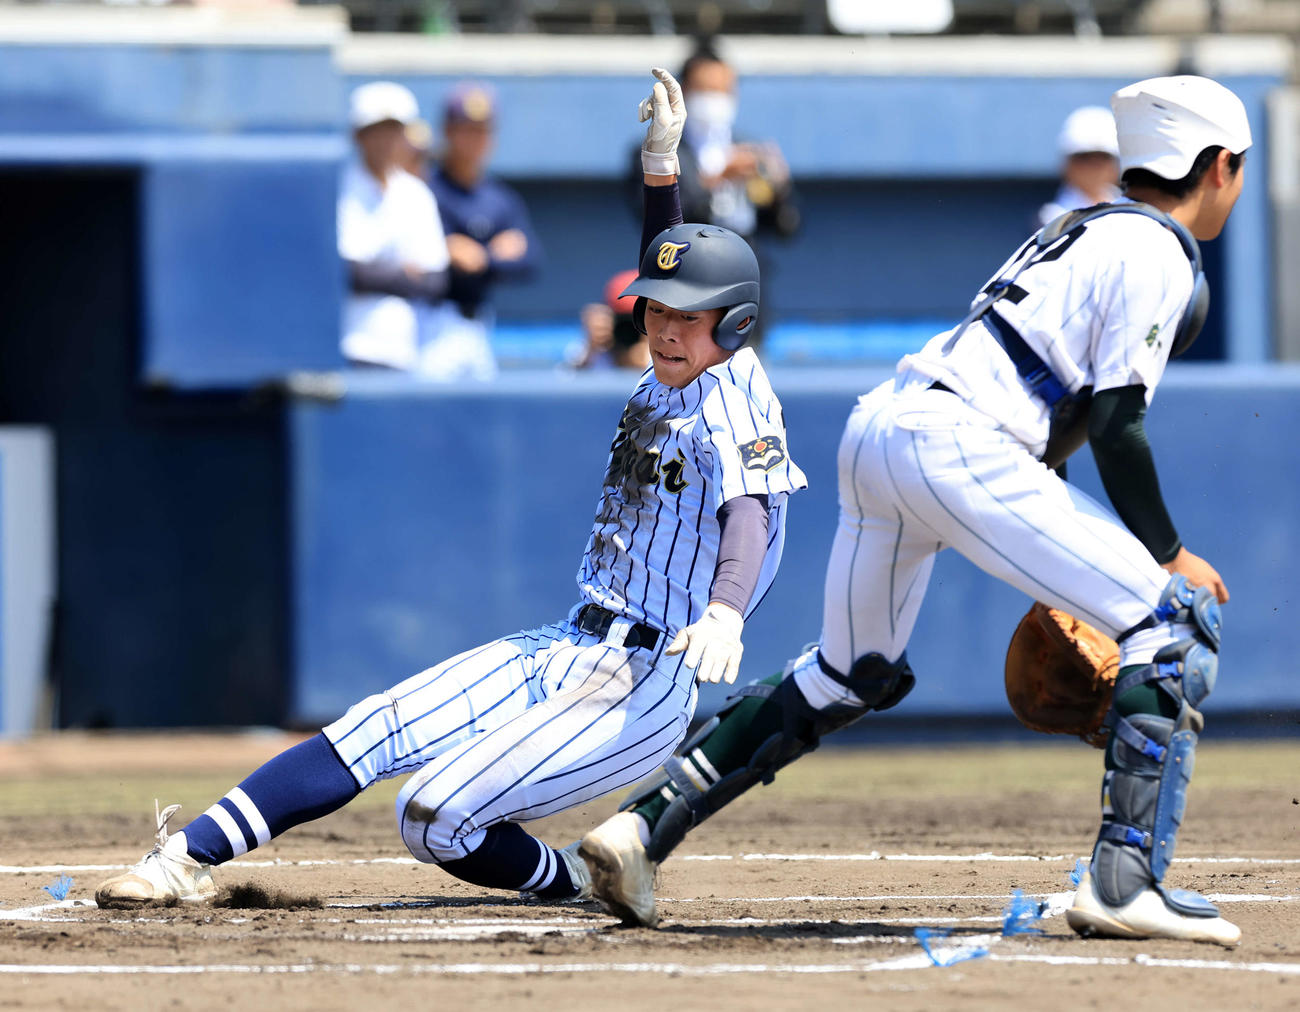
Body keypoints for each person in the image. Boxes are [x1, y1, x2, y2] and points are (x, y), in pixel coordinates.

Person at [94, 68, 806, 911]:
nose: (661, 324)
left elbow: (751, 512)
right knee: (372, 727)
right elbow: (670, 259)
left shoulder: (739, 390)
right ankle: (182, 857)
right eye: (654, 309)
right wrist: (662, 169)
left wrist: (726, 609)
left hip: (644, 685)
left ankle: (574, 881)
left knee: (430, 815)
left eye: (685, 316)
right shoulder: (669, 371)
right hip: (567, 641)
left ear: (734, 326)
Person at [581, 75, 1251, 948]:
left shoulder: (1075, 228)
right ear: (1222, 167)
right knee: (1173, 623)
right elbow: (1120, 427)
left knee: (848, 671)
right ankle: (1127, 882)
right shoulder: (1160, 250)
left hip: (888, 429)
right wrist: (1166, 554)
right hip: (960, 443)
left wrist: (1064, 566)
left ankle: (641, 826)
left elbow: (1049, 417)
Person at [422, 82, 539, 381]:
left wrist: (481, 258)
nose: (476, 139)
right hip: (431, 321)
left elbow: (530, 262)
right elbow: (445, 262)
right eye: (467, 129)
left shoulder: (499, 196)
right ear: (448, 131)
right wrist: (494, 253)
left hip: (481, 322)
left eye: (483, 130)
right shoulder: (427, 190)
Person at [338, 81, 450, 371]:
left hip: (402, 351)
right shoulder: (338, 190)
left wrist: (372, 272)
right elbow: (344, 271)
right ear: (358, 136)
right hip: (346, 346)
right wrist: (403, 274)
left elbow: (435, 280)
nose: (387, 141)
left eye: (394, 131)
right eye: (377, 131)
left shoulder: (417, 195)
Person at [1039, 105, 1122, 226]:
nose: (1094, 167)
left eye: (1103, 158)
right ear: (1067, 165)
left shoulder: (1134, 211)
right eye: (1084, 158)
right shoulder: (1048, 222)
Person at [570, 269, 651, 371]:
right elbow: (565, 379)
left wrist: (653, 363)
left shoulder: (664, 353)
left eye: (640, 322)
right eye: (624, 322)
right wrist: (590, 350)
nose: (630, 330)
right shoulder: (596, 354)